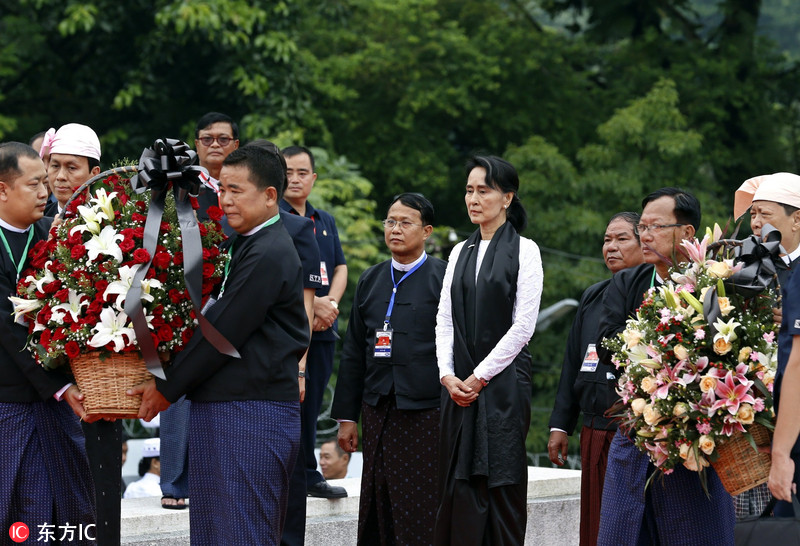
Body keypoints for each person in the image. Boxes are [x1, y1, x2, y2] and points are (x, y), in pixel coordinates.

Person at [134, 145, 309, 545]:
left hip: (251, 414)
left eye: (236, 191)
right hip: (226, 409)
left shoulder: (268, 250)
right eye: (223, 189)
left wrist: (166, 388)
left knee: (242, 533)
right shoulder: (243, 243)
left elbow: (221, 333)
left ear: (269, 195)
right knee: (215, 533)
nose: (225, 200)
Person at [595, 187, 735, 545]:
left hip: (694, 432)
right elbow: (608, 339)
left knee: (694, 531)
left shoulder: (715, 281)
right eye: (641, 227)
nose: (645, 236)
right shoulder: (627, 282)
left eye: (655, 226)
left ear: (687, 232)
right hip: (637, 427)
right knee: (624, 531)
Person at [434, 155, 543, 545]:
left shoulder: (526, 250)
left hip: (503, 384)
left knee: (502, 482)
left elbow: (523, 327)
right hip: (457, 386)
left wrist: (480, 377)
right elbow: (444, 318)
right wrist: (447, 375)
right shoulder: (458, 252)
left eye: (484, 190)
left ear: (507, 197)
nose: (473, 199)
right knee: (457, 484)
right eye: (469, 190)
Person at [333, 192, 446, 544]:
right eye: (390, 222)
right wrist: (347, 417)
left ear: (426, 230)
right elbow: (353, 350)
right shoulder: (371, 278)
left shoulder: (444, 277)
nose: (395, 229)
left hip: (426, 410)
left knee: (420, 505)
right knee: (377, 500)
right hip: (378, 407)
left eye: (405, 222)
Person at [0, 142, 95, 542]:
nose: (46, 192)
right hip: (10, 400)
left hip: (57, 400)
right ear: (2, 189)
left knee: (68, 508)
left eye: (45, 183)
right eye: (35, 183)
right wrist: (60, 388)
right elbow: (6, 326)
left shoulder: (53, 235)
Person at [158, 112, 243, 510]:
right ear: (195, 144)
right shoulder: (183, 187)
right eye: (206, 138)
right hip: (186, 297)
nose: (214, 145)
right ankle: (174, 483)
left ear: (235, 146)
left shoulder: (245, 186)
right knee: (179, 385)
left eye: (222, 139)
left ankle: (214, 479)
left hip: (235, 295)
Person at [547, 212, 643, 546]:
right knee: (594, 527)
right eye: (607, 240)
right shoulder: (592, 296)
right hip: (592, 429)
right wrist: (561, 425)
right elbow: (572, 361)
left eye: (621, 239)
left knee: (624, 528)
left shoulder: (655, 296)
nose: (611, 247)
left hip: (629, 434)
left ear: (645, 243)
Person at [245, 140, 322, 546]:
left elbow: (306, 307)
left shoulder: (298, 229)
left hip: (283, 364)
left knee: (287, 466)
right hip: (237, 369)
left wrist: (300, 367)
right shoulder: (225, 225)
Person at [281, 145, 348, 499]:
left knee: (314, 403)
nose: (295, 179)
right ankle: (291, 475)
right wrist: (314, 303)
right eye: (288, 172)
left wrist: (330, 303)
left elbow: (340, 267)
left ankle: (308, 473)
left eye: (302, 172)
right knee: (291, 402)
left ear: (313, 178)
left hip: (323, 331)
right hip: (291, 328)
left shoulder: (324, 220)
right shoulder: (274, 217)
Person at [732, 172, 800, 517]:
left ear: (797, 219)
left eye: (765, 215)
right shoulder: (744, 265)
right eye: (753, 214)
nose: (756, 224)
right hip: (750, 419)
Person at [38, 123, 102, 217]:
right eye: (55, 166)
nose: (60, 176)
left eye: (72, 168)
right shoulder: (36, 222)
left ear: (94, 173)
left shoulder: (112, 220)